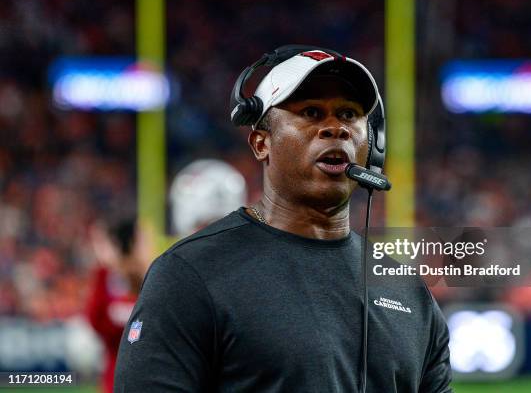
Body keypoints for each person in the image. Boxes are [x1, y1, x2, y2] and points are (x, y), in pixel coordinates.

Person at [114, 46, 452, 392]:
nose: (335, 128)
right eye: (310, 112)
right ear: (262, 143)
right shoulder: (189, 275)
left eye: (349, 114)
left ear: (373, 145)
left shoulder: (408, 293)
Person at [85, 219, 152, 393]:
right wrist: (102, 269)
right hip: (117, 382)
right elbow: (96, 321)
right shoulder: (110, 284)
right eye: (144, 241)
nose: (150, 246)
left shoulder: (156, 281)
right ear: (131, 245)